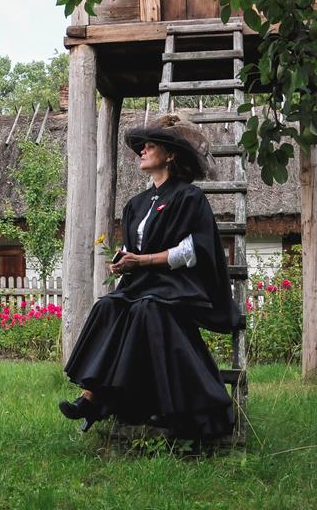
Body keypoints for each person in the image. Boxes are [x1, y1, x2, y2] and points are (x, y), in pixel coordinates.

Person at [59, 114, 242, 441]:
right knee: (107, 306)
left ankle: (138, 404)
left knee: (146, 310)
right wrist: (124, 262)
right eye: (141, 147)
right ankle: (91, 397)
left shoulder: (189, 197)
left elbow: (193, 250)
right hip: (142, 284)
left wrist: (143, 260)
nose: (142, 150)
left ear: (170, 155)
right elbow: (135, 248)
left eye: (150, 146)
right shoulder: (137, 204)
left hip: (177, 285)